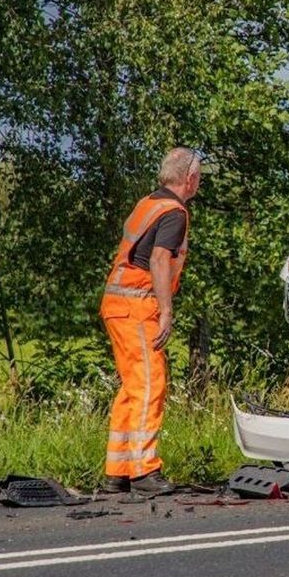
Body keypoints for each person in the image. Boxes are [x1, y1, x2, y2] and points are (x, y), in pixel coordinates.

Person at [100, 147, 201, 495]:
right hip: (137, 306)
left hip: (117, 303)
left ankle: (119, 470)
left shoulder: (148, 203)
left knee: (132, 387)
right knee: (149, 385)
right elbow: (158, 260)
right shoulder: (175, 212)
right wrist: (167, 311)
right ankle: (144, 471)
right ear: (190, 179)